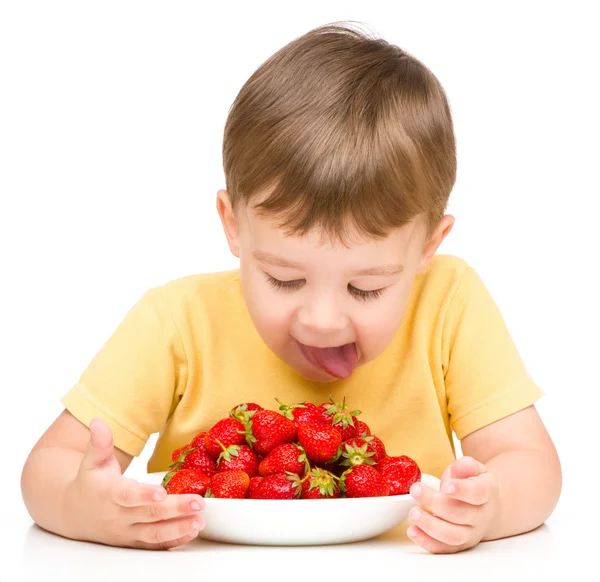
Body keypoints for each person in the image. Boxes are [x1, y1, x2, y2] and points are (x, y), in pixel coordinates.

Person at [20, 21, 561, 554]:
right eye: (285, 278)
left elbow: (529, 463)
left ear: (427, 245)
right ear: (233, 226)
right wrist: (85, 506)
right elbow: (48, 469)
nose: (322, 319)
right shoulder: (179, 320)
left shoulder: (449, 303)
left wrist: (490, 507)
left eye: (366, 287)